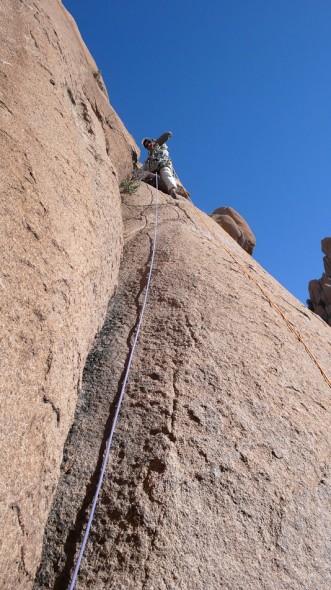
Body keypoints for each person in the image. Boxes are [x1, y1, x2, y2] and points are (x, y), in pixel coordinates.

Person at [141, 132, 178, 199]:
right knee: (140, 172)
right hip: (154, 169)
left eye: (149, 142)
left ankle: (172, 191)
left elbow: (168, 134)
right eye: (146, 145)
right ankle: (154, 177)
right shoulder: (149, 157)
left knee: (165, 172)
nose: (148, 145)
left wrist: (155, 142)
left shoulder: (160, 145)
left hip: (163, 164)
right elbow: (145, 167)